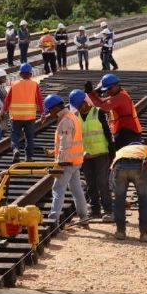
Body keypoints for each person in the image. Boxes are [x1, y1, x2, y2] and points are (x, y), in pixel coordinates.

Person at [43, 94, 88, 225]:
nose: (50, 114)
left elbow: (65, 145)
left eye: (50, 111)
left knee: (58, 189)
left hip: (67, 162)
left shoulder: (66, 121)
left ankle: (53, 219)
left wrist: (58, 166)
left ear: (56, 108)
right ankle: (84, 217)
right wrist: (53, 152)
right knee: (76, 189)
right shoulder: (72, 117)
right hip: (75, 161)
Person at [69, 89, 114, 221]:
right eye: (76, 106)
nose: (78, 108)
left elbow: (108, 133)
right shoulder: (75, 116)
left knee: (102, 183)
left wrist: (112, 153)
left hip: (101, 154)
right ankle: (95, 210)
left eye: (79, 105)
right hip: (85, 156)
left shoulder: (99, 112)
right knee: (90, 184)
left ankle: (108, 210)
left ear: (85, 102)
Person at [0, 63, 44, 163]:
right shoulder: (34, 85)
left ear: (20, 74)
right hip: (29, 117)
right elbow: (39, 100)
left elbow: (8, 99)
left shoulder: (14, 84)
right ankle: (29, 157)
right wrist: (42, 113)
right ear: (30, 74)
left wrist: (3, 111)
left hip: (16, 116)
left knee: (15, 135)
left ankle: (15, 149)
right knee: (29, 136)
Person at [86, 73, 142, 149]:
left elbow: (102, 106)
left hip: (129, 133)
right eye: (106, 90)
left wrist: (90, 94)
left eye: (109, 89)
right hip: (127, 131)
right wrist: (93, 93)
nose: (108, 92)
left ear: (116, 85)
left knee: (112, 149)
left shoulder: (120, 97)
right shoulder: (119, 94)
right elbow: (102, 101)